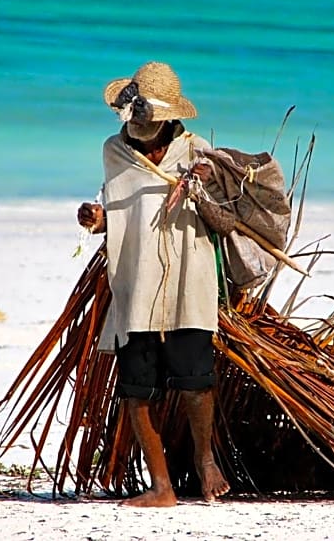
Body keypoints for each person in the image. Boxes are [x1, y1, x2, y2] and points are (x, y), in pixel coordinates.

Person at [77, 61, 230, 507]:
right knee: (136, 386)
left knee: (195, 379)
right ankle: (162, 487)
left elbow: (224, 219)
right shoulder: (114, 151)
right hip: (135, 279)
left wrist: (204, 186)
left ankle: (205, 461)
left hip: (190, 275)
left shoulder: (198, 152)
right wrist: (98, 219)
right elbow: (120, 212)